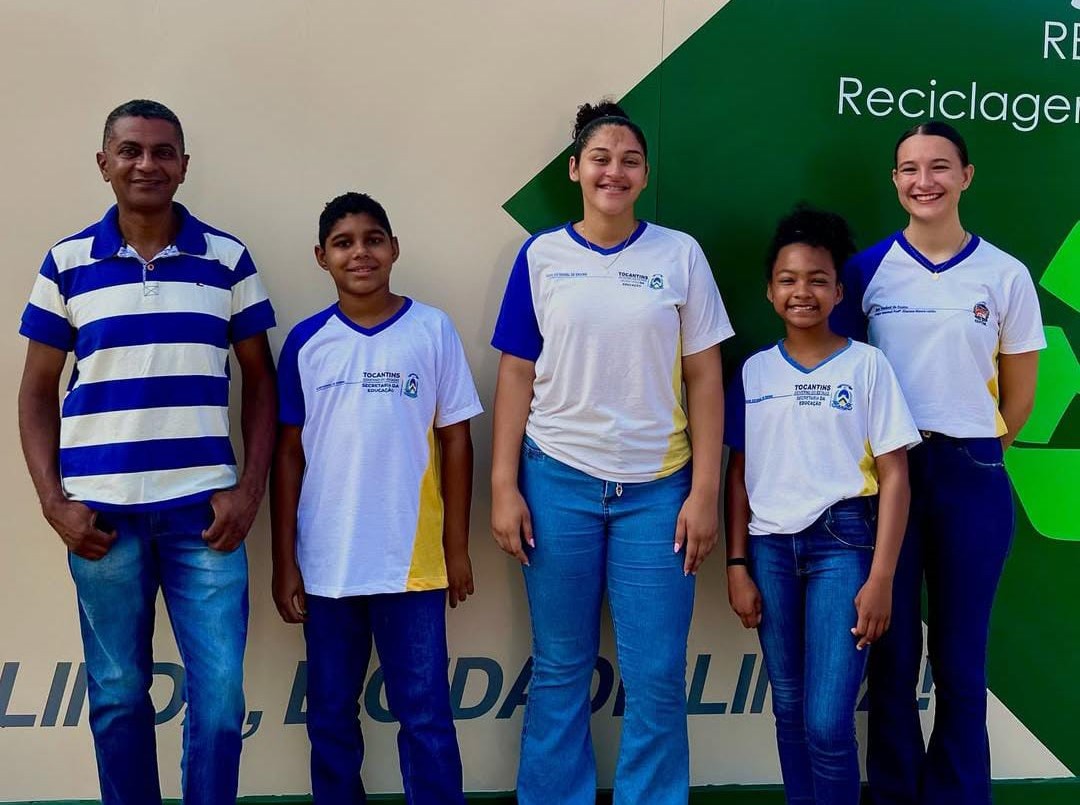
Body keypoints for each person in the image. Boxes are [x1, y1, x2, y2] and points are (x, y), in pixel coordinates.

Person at [16, 99, 277, 804]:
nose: (146, 164)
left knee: (220, 703)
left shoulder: (227, 259)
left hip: (205, 517)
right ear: (104, 163)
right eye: (130, 150)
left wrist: (249, 490)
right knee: (117, 697)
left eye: (163, 152)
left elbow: (263, 380)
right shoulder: (67, 263)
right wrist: (53, 501)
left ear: (184, 166)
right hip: (101, 520)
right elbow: (36, 391)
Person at [490, 100, 732, 805]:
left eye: (629, 161)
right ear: (575, 169)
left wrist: (706, 491)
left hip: (659, 491)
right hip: (556, 481)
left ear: (645, 174)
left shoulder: (680, 255)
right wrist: (503, 484)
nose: (613, 172)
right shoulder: (542, 256)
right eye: (600, 158)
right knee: (560, 666)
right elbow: (516, 372)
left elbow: (705, 376)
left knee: (656, 674)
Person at [831, 121, 1046, 805]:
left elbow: (1019, 400)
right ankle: (894, 792)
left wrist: (971, 453)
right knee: (891, 657)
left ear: (966, 176)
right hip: (887, 478)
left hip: (971, 478)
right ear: (895, 180)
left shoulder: (1004, 274)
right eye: (909, 168)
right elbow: (842, 375)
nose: (924, 181)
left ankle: (958, 794)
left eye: (940, 167)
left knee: (959, 661)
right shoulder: (864, 271)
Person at [272, 192, 482, 804]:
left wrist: (456, 549)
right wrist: (285, 562)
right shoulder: (307, 342)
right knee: (330, 715)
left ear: (394, 249)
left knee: (425, 714)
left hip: (412, 567)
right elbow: (288, 457)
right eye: (343, 243)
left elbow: (457, 441)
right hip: (328, 566)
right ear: (321, 257)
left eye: (372, 240)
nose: (359, 253)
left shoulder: (431, 329)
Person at [724, 205, 919, 805]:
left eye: (817, 279)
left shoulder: (867, 365)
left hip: (844, 545)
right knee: (788, 709)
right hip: (769, 551)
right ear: (769, 290)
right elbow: (738, 476)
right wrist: (737, 565)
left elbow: (895, 474)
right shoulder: (754, 372)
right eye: (788, 279)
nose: (801, 291)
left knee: (828, 723)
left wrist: (881, 578)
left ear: (839, 291)